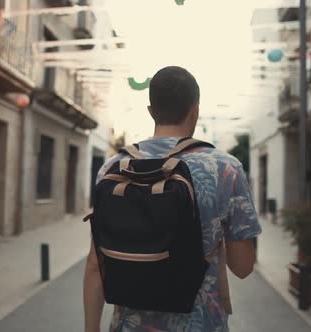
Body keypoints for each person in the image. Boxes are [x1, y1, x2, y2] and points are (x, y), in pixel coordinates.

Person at [83, 66, 261, 332]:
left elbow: (96, 265)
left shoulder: (113, 167)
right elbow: (243, 266)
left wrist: (90, 329)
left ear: (151, 111)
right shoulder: (225, 167)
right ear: (195, 109)